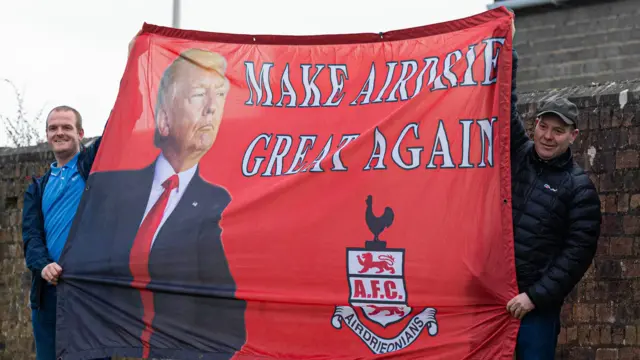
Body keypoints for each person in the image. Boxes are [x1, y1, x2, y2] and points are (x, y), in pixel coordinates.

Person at [61, 48, 246, 360]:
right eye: (199, 94)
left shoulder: (223, 205)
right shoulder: (111, 186)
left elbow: (230, 318)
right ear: (163, 115)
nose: (213, 108)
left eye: (220, 94)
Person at [505, 21, 602, 359]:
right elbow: (505, 101)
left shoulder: (579, 189)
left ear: (572, 136)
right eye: (543, 127)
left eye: (557, 131)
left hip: (536, 310)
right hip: (494, 297)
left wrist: (534, 297)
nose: (547, 136)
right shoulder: (518, 154)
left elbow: (576, 256)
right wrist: (509, 49)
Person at [21, 105, 108, 360]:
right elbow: (31, 237)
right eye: (53, 128)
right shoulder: (37, 187)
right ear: (47, 135)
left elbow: (117, 127)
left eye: (67, 127)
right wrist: (44, 264)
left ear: (81, 133)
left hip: (88, 292)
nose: (60, 132)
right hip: (47, 295)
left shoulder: (92, 168)